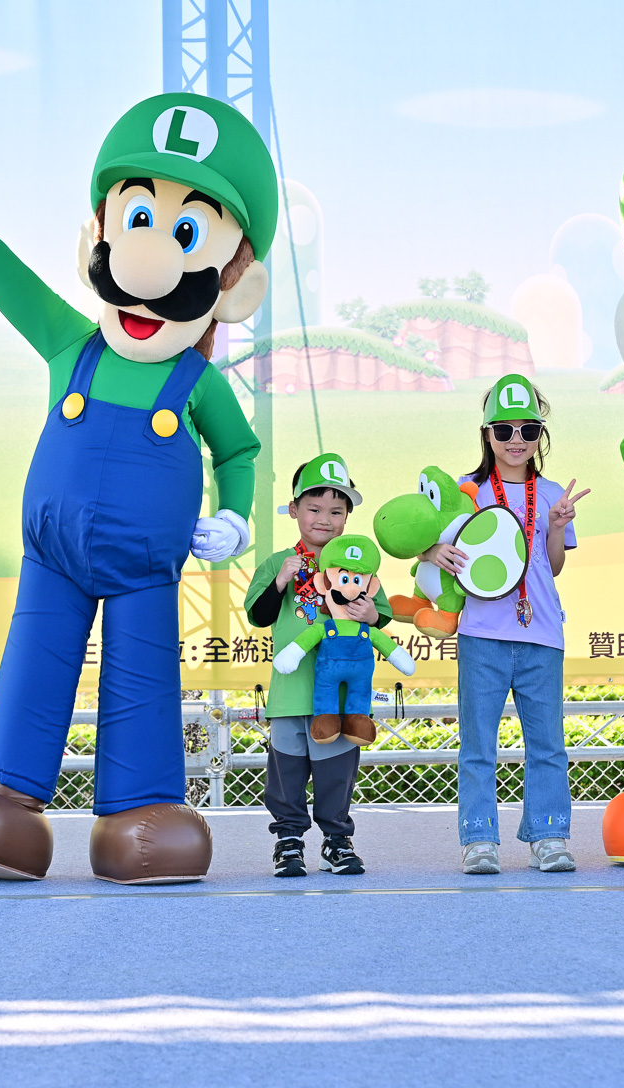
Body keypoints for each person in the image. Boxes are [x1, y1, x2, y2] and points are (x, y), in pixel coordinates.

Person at [0, 92, 278, 885]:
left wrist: (236, 517)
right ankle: (4, 802)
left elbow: (239, 450)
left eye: (186, 235)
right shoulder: (71, 345)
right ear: (98, 241)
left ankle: (139, 813)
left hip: (146, 568)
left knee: (143, 677)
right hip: (53, 557)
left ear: (234, 285)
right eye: (136, 221)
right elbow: (8, 282)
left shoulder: (197, 381)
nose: (147, 268)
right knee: (34, 665)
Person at [428, 375, 585, 875]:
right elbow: (426, 545)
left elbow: (553, 566)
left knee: (548, 745)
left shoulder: (553, 494)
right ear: (487, 434)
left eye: (528, 430)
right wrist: (434, 550)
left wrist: (556, 527)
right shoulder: (465, 490)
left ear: (540, 435)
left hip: (542, 634)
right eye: (504, 430)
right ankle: (479, 841)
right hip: (482, 635)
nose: (516, 439)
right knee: (478, 745)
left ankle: (549, 837)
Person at [244, 457, 391, 878]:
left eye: (336, 511)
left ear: (347, 517)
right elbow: (259, 615)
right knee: (286, 772)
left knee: (335, 773)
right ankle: (288, 842)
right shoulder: (278, 562)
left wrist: (369, 614)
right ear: (294, 510)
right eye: (314, 508)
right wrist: (280, 581)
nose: (324, 519)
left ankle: (336, 841)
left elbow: (380, 616)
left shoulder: (359, 567)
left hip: (340, 698)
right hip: (290, 692)